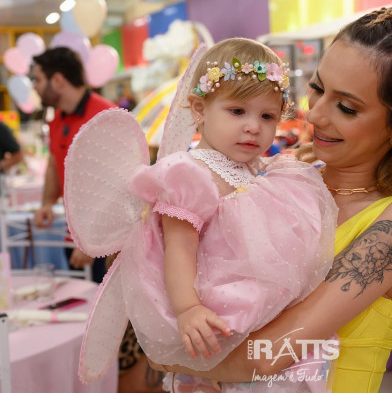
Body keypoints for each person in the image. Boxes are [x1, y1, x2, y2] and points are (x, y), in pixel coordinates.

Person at [151, 4, 392, 393]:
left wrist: (164, 354)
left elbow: (270, 354)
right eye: (318, 88)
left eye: (347, 107)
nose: (314, 115)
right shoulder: (285, 176)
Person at [66, 38, 337, 393]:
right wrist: (188, 308)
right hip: (213, 311)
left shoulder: (263, 171)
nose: (254, 127)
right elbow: (180, 247)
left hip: (261, 312)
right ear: (199, 110)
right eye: (237, 111)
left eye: (267, 116)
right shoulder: (191, 174)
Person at [30, 47, 116, 283]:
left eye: (38, 79)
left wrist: (94, 240)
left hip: (107, 240)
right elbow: (54, 163)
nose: (34, 87)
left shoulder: (106, 116)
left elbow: (118, 185)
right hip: (74, 234)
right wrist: (47, 203)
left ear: (57, 80)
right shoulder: (57, 119)